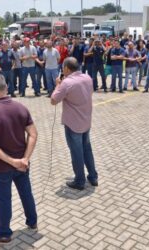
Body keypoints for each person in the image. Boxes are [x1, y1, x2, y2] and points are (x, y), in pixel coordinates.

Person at [0, 74, 38, 245]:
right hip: (22, 164)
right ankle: (32, 221)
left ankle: (4, 234)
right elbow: (33, 134)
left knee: (4, 200)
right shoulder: (21, 108)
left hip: (1, 167)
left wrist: (13, 161)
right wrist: (25, 159)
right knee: (26, 193)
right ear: (6, 87)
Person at [51, 57, 98, 190]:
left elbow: (54, 100)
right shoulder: (87, 77)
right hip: (86, 120)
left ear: (66, 68)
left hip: (73, 124)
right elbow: (91, 92)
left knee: (76, 152)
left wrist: (58, 85)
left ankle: (79, 180)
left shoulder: (66, 83)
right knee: (87, 149)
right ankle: (93, 176)